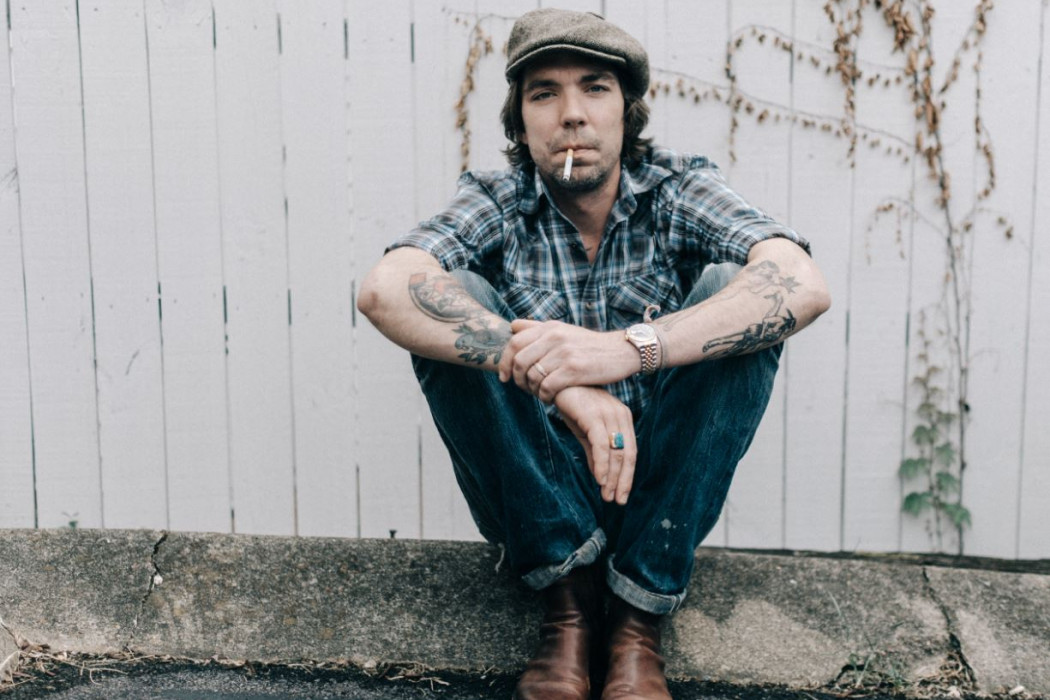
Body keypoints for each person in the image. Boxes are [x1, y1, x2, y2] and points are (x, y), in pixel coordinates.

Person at [357, 8, 830, 699]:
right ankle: (570, 611)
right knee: (449, 301)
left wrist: (625, 351)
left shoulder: (676, 190)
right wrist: (566, 385)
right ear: (520, 121)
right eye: (544, 93)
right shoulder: (498, 199)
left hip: (660, 490)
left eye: (595, 88)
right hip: (536, 491)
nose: (572, 113)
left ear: (626, 112)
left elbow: (802, 284)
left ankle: (638, 618)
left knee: (741, 296)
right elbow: (385, 288)